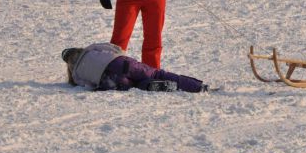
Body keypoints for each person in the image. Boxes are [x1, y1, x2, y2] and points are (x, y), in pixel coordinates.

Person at [62, 43, 208, 93]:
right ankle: (197, 87)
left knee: (136, 86)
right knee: (157, 73)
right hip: (119, 63)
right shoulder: (89, 49)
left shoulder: (75, 75)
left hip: (109, 80)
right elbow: (114, 48)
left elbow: (88, 84)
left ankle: (150, 86)